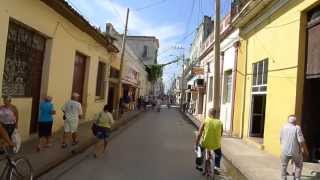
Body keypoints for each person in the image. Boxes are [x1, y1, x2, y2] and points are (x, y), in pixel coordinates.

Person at [280, 115, 309, 180]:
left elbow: (281, 139)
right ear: (295, 121)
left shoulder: (283, 127)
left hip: (284, 150)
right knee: (298, 165)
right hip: (295, 151)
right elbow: (301, 141)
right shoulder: (297, 128)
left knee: (283, 166)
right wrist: (305, 151)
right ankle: (297, 178)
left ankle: (283, 178)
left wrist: (282, 148)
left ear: (288, 120)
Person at [195, 108, 223, 173]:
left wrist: (196, 145)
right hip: (216, 145)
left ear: (209, 114)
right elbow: (220, 134)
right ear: (216, 115)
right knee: (218, 154)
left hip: (205, 143)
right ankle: (216, 167)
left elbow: (199, 134)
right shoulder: (220, 123)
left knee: (199, 150)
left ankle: (199, 165)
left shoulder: (205, 121)